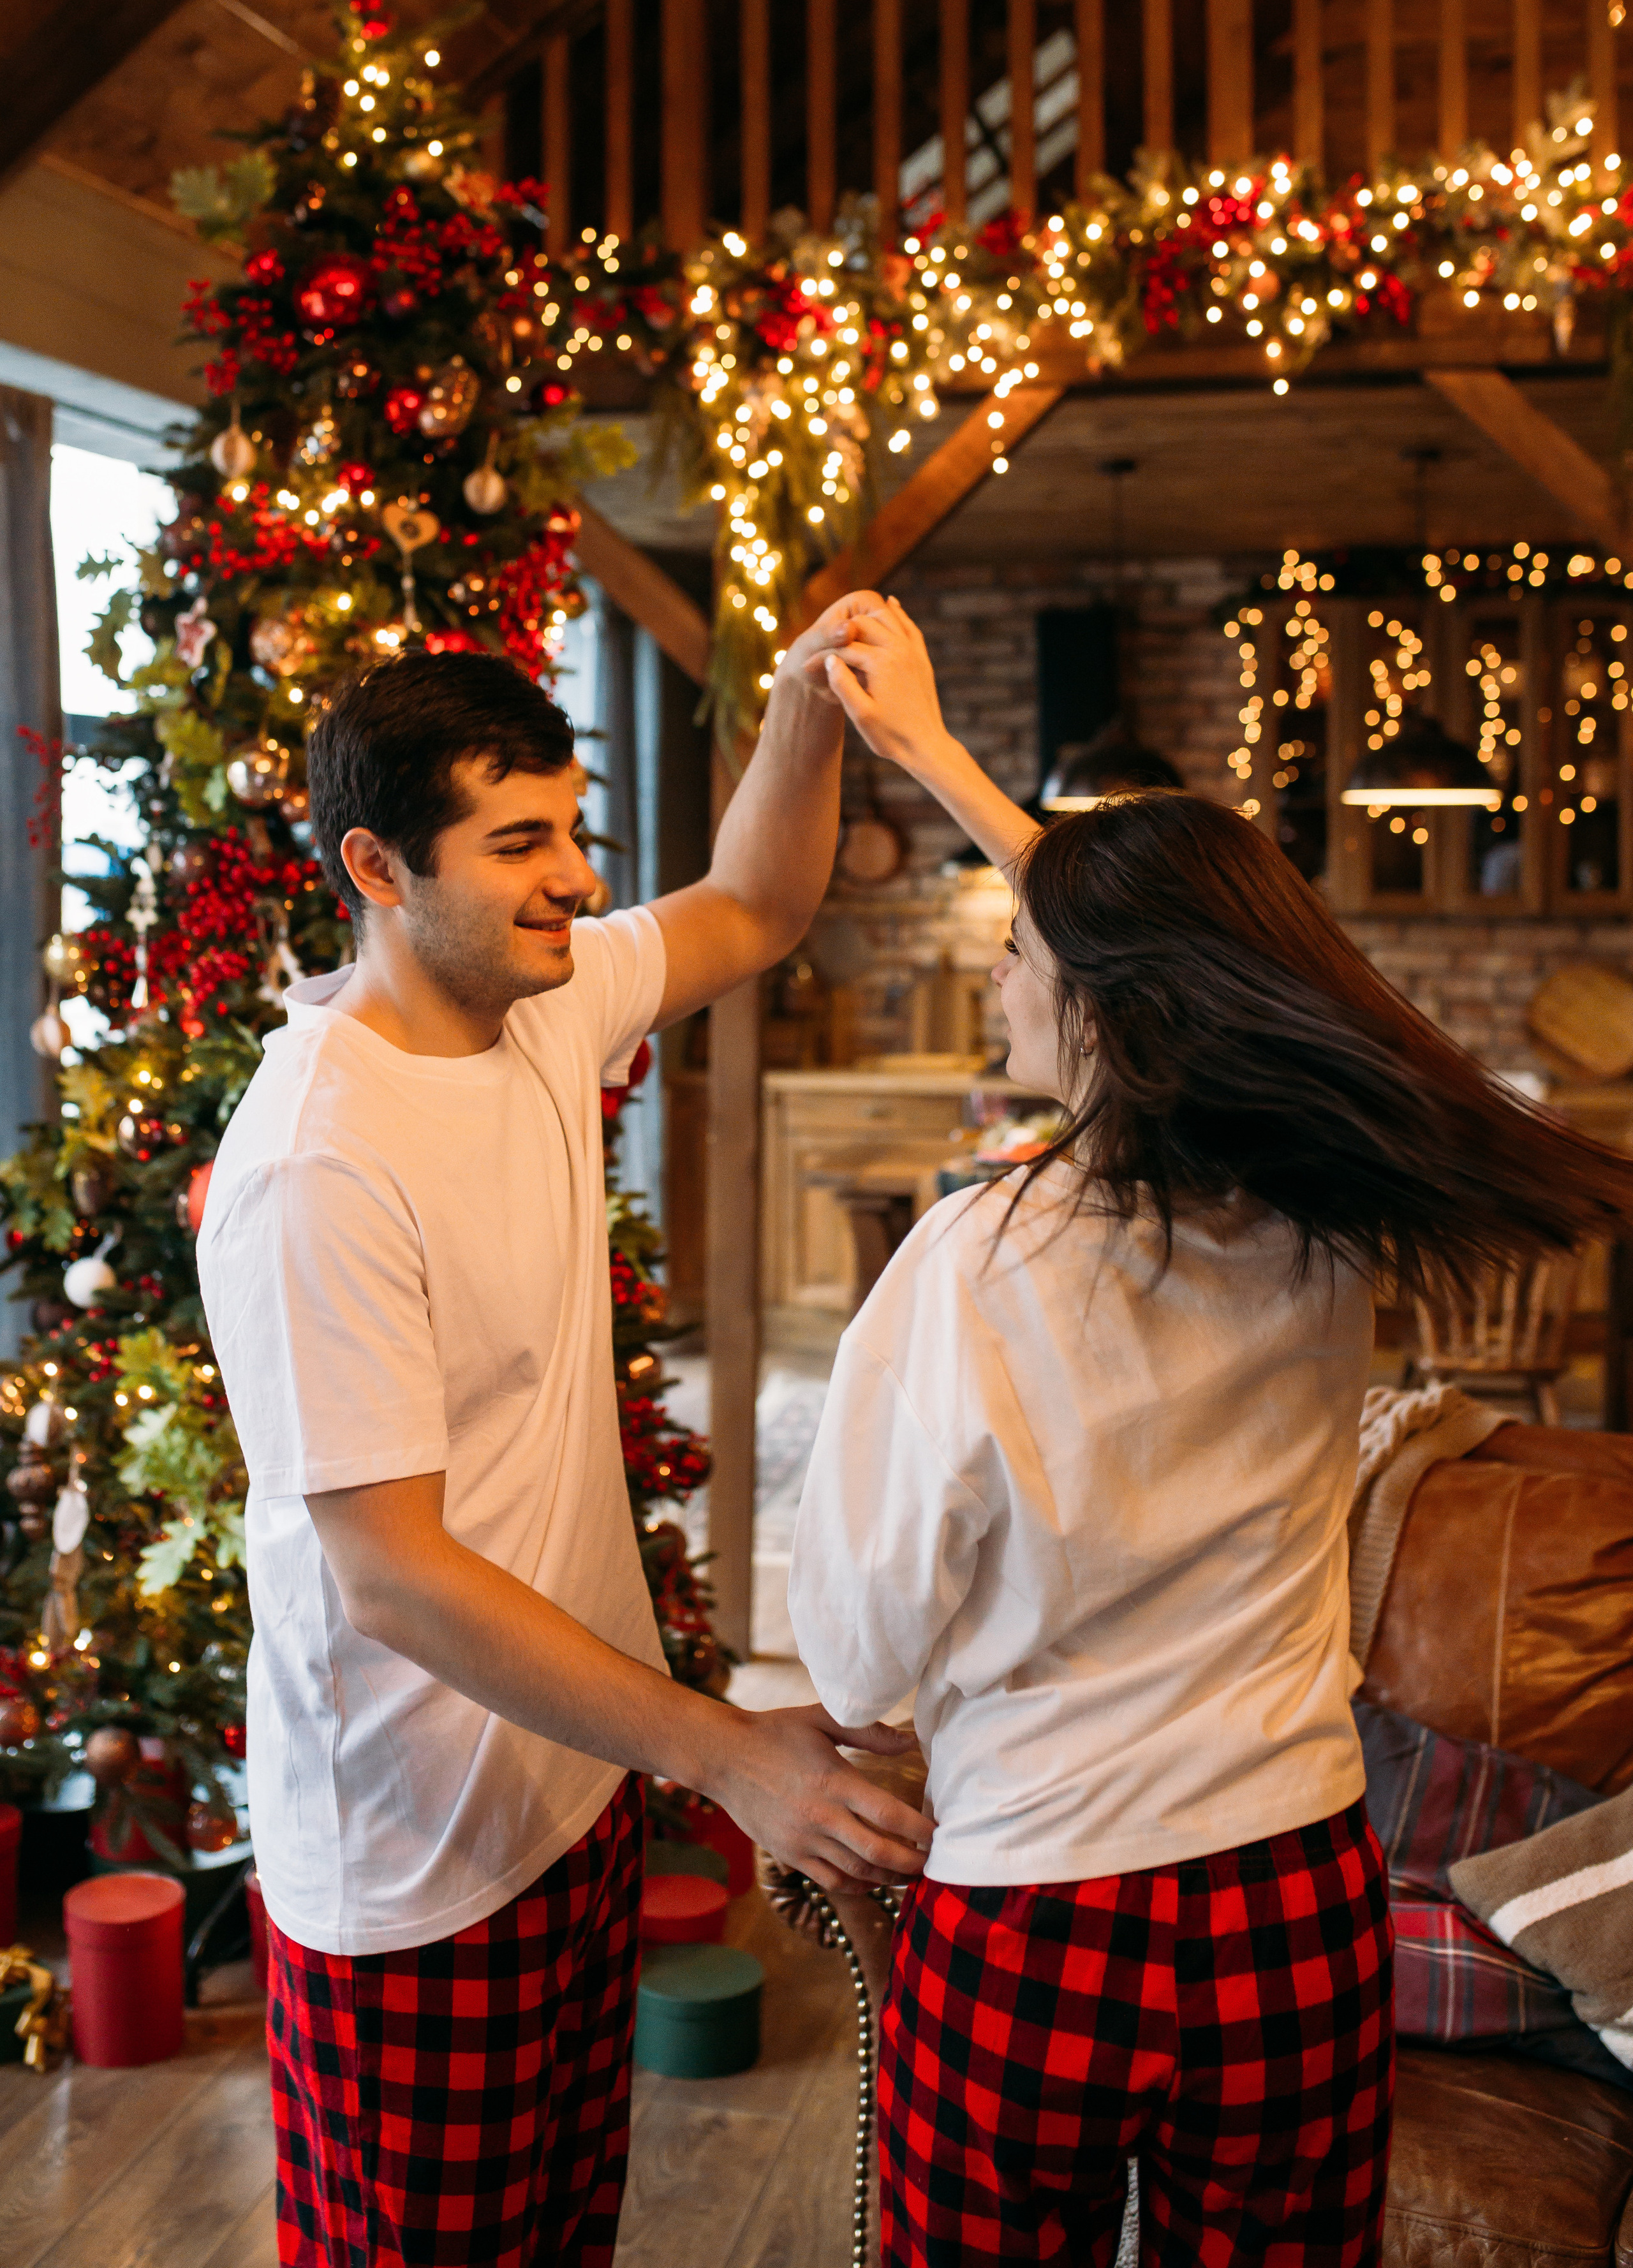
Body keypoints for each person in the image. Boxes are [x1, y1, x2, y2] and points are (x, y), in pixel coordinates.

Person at [788, 598, 1633, 2267]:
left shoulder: (974, 1261)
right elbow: (1178, 949)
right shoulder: (1320, 1237)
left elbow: (858, 1649)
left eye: (1024, 955)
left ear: (1106, 1012)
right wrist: (944, 761)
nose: (1000, 968)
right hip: (1294, 1899)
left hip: (1042, 1910)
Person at [196, 604, 933, 2268]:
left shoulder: (538, 997)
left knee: (562, 2237)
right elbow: (392, 1579)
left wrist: (808, 702)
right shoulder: (319, 1159)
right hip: (412, 1865)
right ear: (379, 869)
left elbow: (759, 902)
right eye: (518, 842)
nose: (579, 880)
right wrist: (729, 1751)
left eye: (574, 829)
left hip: (574, 1789)